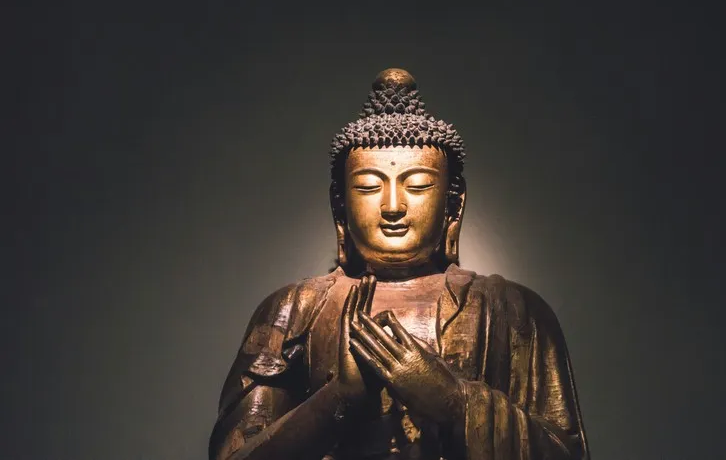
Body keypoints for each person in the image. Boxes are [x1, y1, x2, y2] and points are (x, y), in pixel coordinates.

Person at [209, 69, 591, 460]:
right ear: (339, 204)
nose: (393, 206)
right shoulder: (293, 310)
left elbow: (568, 453)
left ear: (453, 204)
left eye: (418, 184)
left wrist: (455, 403)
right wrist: (339, 398)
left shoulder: (514, 312)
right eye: (369, 186)